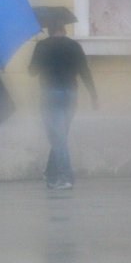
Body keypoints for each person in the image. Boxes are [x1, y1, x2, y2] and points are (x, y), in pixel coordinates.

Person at [29, 20, 98, 190]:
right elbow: (84, 72)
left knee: (58, 138)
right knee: (61, 136)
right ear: (64, 29)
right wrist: (93, 95)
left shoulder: (42, 46)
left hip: (50, 95)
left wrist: (41, 56)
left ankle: (65, 177)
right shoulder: (74, 46)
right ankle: (51, 174)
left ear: (49, 29)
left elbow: (32, 71)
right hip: (70, 95)